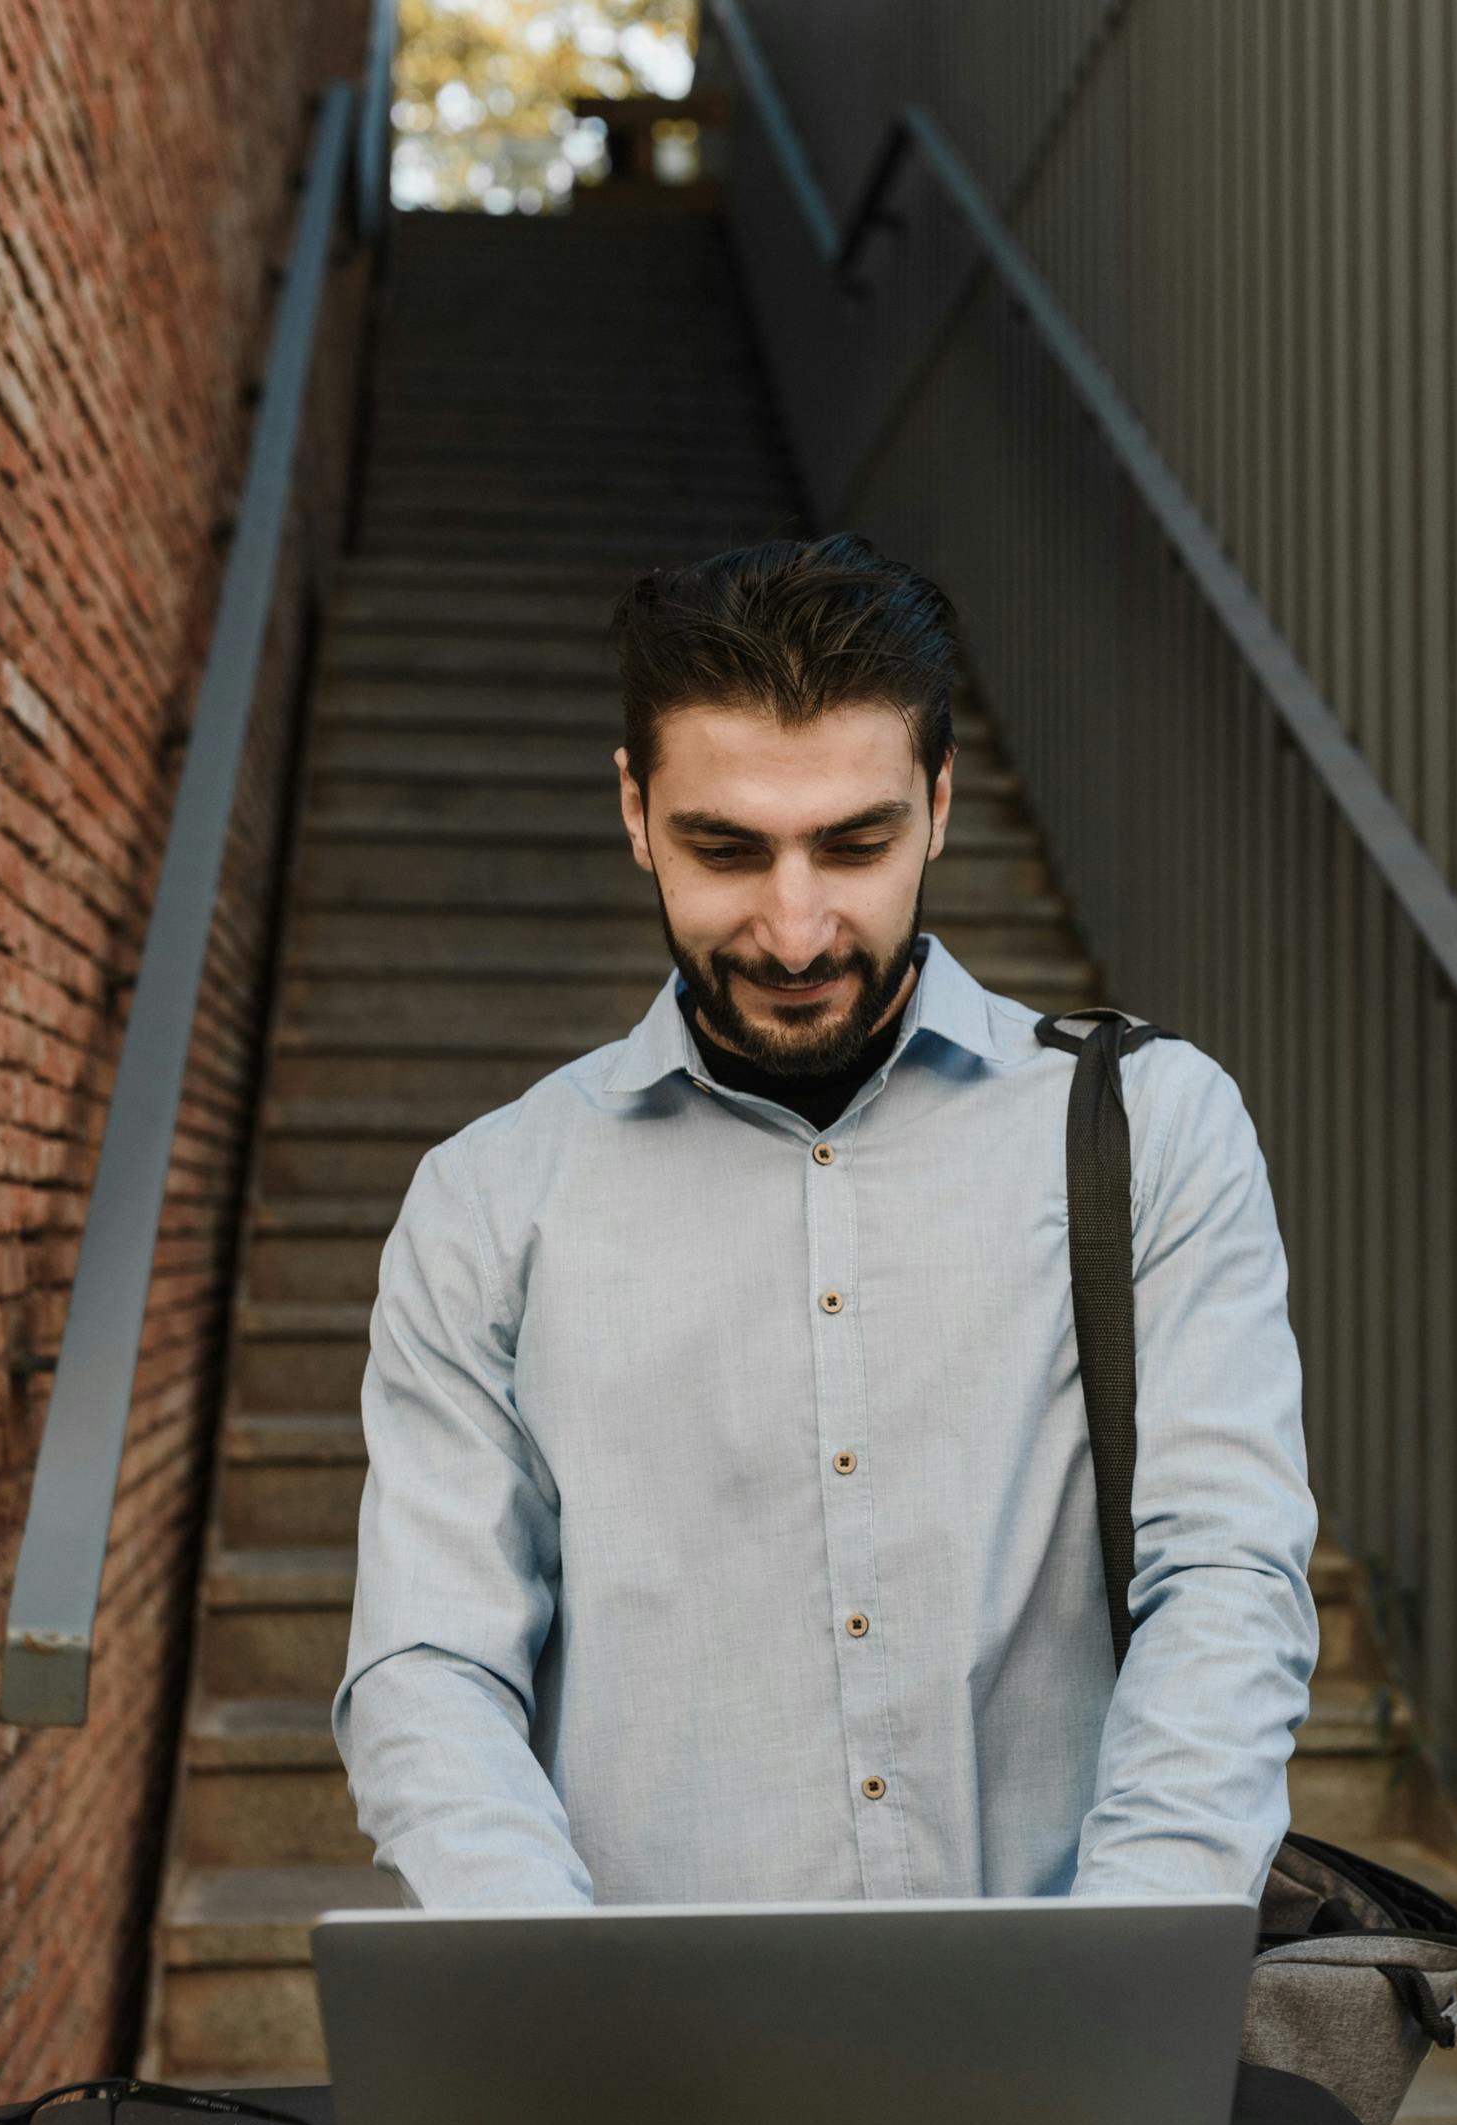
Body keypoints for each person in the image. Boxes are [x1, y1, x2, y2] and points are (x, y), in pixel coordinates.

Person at [332, 533, 1318, 1909]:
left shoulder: (1153, 1130)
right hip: (648, 2071)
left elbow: (1224, 1579)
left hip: (1066, 2049)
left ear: (942, 803)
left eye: (855, 844)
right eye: (726, 849)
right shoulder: (490, 1202)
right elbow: (430, 1663)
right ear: (634, 811)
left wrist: (1121, 1976)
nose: (795, 932)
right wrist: (551, 1993)